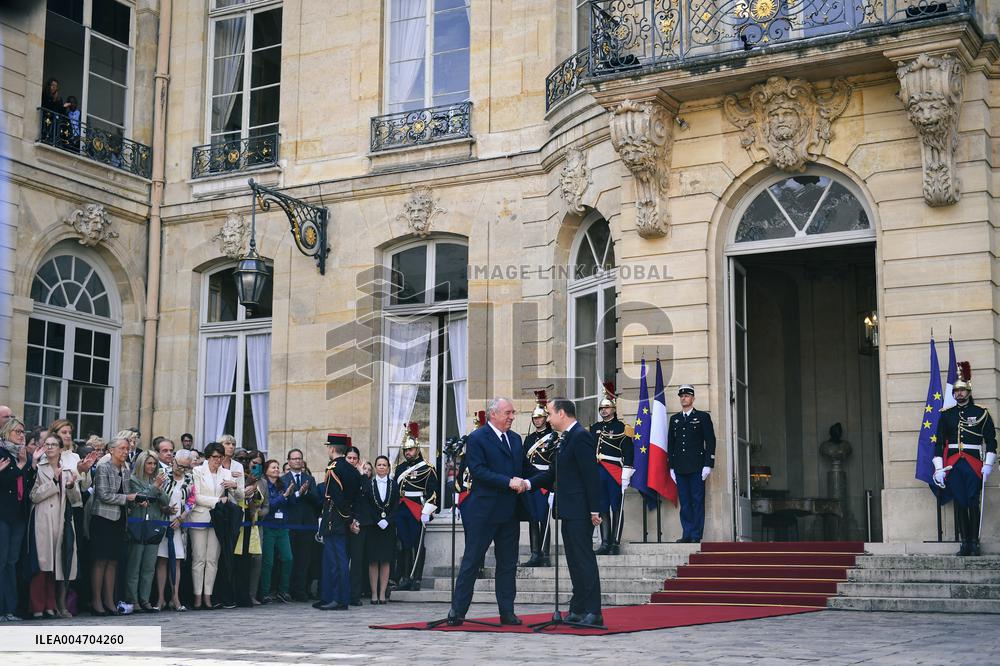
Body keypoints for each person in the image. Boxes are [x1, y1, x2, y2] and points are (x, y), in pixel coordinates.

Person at [446, 398, 526, 627]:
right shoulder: (478, 438)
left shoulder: (515, 439)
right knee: (472, 561)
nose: (512, 416)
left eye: (513, 413)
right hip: (484, 511)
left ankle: (507, 611)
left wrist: (546, 477)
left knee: (508, 564)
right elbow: (478, 471)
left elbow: (521, 469)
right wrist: (508, 482)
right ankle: (458, 610)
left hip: (509, 511)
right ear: (494, 414)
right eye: (508, 412)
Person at [527, 397, 604, 627]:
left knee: (584, 559)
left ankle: (594, 610)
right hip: (567, 510)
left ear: (562, 413)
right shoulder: (565, 438)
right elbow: (554, 473)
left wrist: (594, 509)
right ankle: (578, 608)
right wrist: (528, 483)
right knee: (573, 561)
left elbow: (591, 476)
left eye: (549, 414)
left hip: (581, 511)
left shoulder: (580, 437)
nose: (547, 418)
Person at [934, 362, 997, 556]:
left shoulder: (981, 413)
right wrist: (939, 468)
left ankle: (974, 542)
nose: (959, 393)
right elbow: (938, 443)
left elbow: (991, 441)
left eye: (962, 390)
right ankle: (965, 543)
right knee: (960, 502)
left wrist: (988, 465)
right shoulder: (946, 415)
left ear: (969, 391)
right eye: (957, 391)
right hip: (953, 464)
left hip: (973, 463)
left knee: (972, 501)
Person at [27, 437, 78, 618]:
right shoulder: (38, 468)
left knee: (55, 564)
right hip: (43, 519)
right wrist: (54, 482)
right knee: (42, 563)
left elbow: (76, 499)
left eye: (53, 444)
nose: (49, 447)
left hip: (61, 519)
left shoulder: (66, 470)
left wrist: (71, 486)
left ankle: (51, 604)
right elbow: (33, 495)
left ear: (60, 449)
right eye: (46, 444)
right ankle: (37, 607)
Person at [89, 436, 136, 616]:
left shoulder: (125, 469)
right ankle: (96, 600)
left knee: (113, 561)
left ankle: (109, 600)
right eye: (122, 448)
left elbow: (126, 493)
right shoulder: (103, 467)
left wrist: (136, 501)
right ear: (111, 450)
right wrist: (127, 498)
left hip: (119, 519)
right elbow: (103, 495)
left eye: (127, 448)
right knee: (100, 560)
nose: (125, 452)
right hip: (103, 519)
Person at [314, 436, 361, 611]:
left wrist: (347, 518)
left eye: (329, 447)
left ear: (332, 449)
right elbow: (355, 497)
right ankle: (330, 596)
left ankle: (338, 598)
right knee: (335, 559)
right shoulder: (352, 470)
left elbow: (336, 498)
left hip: (335, 519)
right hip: (343, 518)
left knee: (336, 561)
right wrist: (352, 518)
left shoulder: (334, 468)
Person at [189, 441, 238, 610]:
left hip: (219, 520)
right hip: (200, 517)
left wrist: (235, 486)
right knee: (198, 559)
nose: (218, 460)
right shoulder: (197, 471)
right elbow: (197, 497)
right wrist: (218, 500)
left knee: (212, 560)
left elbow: (238, 496)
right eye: (215, 457)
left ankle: (208, 596)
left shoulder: (227, 472)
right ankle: (197, 596)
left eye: (221, 457)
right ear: (208, 457)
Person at [667, 384, 716, 544]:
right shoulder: (675, 419)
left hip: (697, 467)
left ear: (693, 398)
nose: (684, 398)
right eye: (681, 396)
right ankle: (687, 533)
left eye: (687, 396)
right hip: (680, 467)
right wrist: (671, 467)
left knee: (697, 500)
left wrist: (708, 464)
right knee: (685, 501)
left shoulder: (702, 417)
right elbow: (671, 444)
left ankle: (696, 535)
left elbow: (710, 441)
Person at [393, 425, 438, 592]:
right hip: (401, 508)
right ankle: (404, 576)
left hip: (417, 508)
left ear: (417, 449)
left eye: (410, 449)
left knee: (417, 543)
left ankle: (416, 578)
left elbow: (434, 492)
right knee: (404, 544)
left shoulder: (427, 468)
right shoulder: (400, 468)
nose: (407, 453)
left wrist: (428, 510)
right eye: (405, 450)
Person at [590, 383, 634, 555]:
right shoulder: (594, 428)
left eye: (607, 408)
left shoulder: (622, 428)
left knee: (616, 506)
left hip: (614, 471)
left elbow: (628, 453)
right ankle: (605, 542)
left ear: (614, 409)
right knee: (602, 507)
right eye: (601, 408)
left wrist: (626, 474)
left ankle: (615, 542)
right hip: (598, 470)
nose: (603, 411)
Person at [124, 451, 169, 611]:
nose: (152, 466)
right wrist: (154, 488)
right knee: (134, 565)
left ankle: (145, 599)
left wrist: (159, 488)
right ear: (142, 464)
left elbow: (165, 500)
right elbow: (141, 498)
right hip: (137, 525)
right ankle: (133, 599)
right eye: (149, 463)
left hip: (153, 526)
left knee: (149, 566)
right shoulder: (133, 479)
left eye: (154, 464)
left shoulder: (156, 480)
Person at [0, 418, 33, 621]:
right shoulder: (3, 453)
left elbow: (28, 481)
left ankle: (10, 608)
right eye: (17, 432)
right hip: (3, 514)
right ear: (6, 433)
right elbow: (5, 479)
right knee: (2, 562)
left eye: (23, 432)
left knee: (12, 562)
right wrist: (21, 465)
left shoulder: (23, 456)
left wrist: (27, 463)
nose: (21, 435)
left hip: (19, 514)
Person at [155, 450, 195, 612]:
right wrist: (163, 509)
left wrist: (182, 518)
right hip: (162, 522)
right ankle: (160, 598)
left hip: (179, 524)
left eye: (186, 467)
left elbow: (192, 501)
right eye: (180, 466)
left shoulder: (191, 478)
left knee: (177, 561)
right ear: (174, 461)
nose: (182, 469)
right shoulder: (163, 474)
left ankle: (175, 597)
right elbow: (155, 495)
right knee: (162, 560)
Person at [522, 391, 556, 567]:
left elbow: (553, 464)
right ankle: (535, 553)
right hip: (530, 483)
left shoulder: (553, 437)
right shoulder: (528, 440)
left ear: (545, 418)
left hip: (544, 481)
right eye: (534, 418)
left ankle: (546, 554)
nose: (537, 421)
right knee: (532, 518)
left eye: (540, 418)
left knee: (543, 517)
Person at [358, 455, 398, 605]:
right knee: (373, 560)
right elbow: (366, 504)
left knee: (386, 560)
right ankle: (374, 593)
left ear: (388, 468)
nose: (381, 467)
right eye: (379, 465)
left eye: (384, 465)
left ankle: (382, 593)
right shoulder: (370, 483)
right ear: (375, 467)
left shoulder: (394, 484)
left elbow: (396, 505)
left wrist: (387, 520)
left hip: (388, 527)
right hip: (374, 526)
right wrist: (377, 520)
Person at [281, 448, 320, 601]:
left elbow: (316, 499)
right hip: (289, 524)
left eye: (299, 458)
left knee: (304, 559)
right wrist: (297, 493)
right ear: (289, 462)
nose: (297, 461)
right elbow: (285, 501)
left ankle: (301, 590)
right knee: (290, 558)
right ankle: (288, 590)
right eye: (294, 458)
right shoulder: (283, 480)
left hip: (306, 525)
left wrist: (306, 492)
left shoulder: (309, 479)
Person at [233, 459, 266, 607]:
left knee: (248, 563)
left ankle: (246, 596)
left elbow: (259, 501)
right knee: (236, 564)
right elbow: (236, 497)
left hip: (250, 526)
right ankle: (235, 595)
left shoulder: (256, 482)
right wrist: (245, 485)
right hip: (236, 526)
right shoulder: (236, 477)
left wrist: (252, 488)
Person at [260, 460, 293, 604]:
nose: (276, 469)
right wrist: (284, 496)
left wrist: (295, 494)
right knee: (268, 561)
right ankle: (264, 592)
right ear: (266, 470)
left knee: (288, 558)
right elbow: (269, 505)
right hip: (268, 526)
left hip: (282, 526)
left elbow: (291, 504)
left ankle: (283, 590)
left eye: (278, 467)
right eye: (273, 467)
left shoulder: (283, 484)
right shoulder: (263, 484)